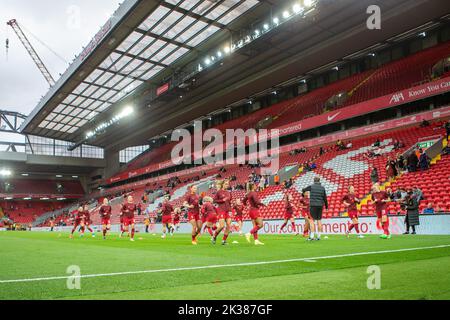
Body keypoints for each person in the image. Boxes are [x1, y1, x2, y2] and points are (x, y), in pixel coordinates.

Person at [302, 177, 328, 241]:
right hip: (320, 205)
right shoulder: (322, 187)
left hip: (313, 205)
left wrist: (303, 190)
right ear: (319, 181)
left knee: (311, 221)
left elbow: (304, 189)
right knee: (319, 220)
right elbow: (325, 198)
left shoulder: (311, 186)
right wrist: (326, 206)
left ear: (314, 181)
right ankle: (319, 236)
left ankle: (312, 236)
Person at [213, 180, 232, 245]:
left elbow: (229, 202)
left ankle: (224, 240)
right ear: (222, 184)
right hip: (221, 210)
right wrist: (222, 200)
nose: (227, 185)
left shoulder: (229, 193)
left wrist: (231, 210)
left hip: (228, 210)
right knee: (221, 226)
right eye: (226, 184)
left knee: (229, 225)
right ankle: (214, 236)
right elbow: (214, 200)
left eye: (228, 184)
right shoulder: (219, 192)